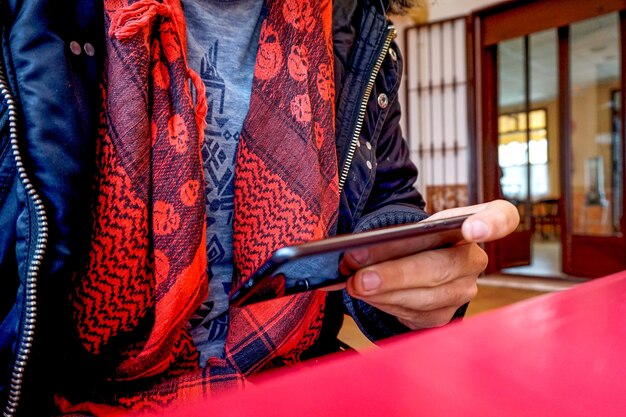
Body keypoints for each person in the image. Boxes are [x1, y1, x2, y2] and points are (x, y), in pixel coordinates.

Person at [0, 0, 519, 415]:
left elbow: (385, 204)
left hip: (303, 387)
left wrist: (420, 280)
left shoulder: (355, 26)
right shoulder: (32, 18)